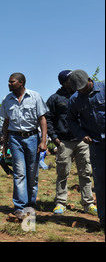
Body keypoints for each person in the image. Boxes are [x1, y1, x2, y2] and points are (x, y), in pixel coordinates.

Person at [46, 70, 96, 216]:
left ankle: (88, 203)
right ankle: (61, 203)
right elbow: (47, 119)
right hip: (64, 141)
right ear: (64, 82)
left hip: (82, 140)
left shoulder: (81, 95)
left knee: (85, 172)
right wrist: (55, 138)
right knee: (62, 173)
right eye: (71, 79)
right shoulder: (54, 99)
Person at [0, 72, 48, 220]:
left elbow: (42, 119)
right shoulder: (6, 99)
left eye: (11, 82)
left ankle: (30, 205)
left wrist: (43, 141)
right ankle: (19, 207)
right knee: (19, 173)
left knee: (32, 174)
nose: (9, 84)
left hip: (32, 137)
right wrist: (5, 144)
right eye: (8, 82)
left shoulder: (35, 96)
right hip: (15, 138)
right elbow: (6, 123)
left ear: (21, 82)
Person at [67, 69, 105, 230]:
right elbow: (71, 121)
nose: (82, 90)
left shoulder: (103, 89)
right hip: (96, 145)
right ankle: (104, 219)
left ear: (90, 80)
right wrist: (82, 134)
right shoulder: (74, 100)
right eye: (78, 89)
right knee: (101, 183)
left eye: (84, 87)